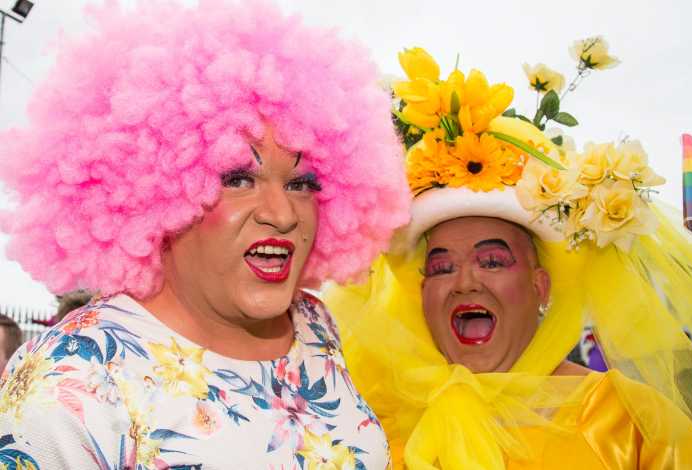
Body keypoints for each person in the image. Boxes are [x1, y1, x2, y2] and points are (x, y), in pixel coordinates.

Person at [0, 1, 410, 468]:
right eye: (238, 178)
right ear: (154, 189)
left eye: (301, 184)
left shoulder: (314, 324)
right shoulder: (72, 384)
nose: (281, 214)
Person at [325, 48, 692, 468]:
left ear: (540, 286)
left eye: (492, 262)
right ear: (421, 292)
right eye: (442, 267)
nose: (465, 282)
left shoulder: (628, 419)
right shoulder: (375, 428)